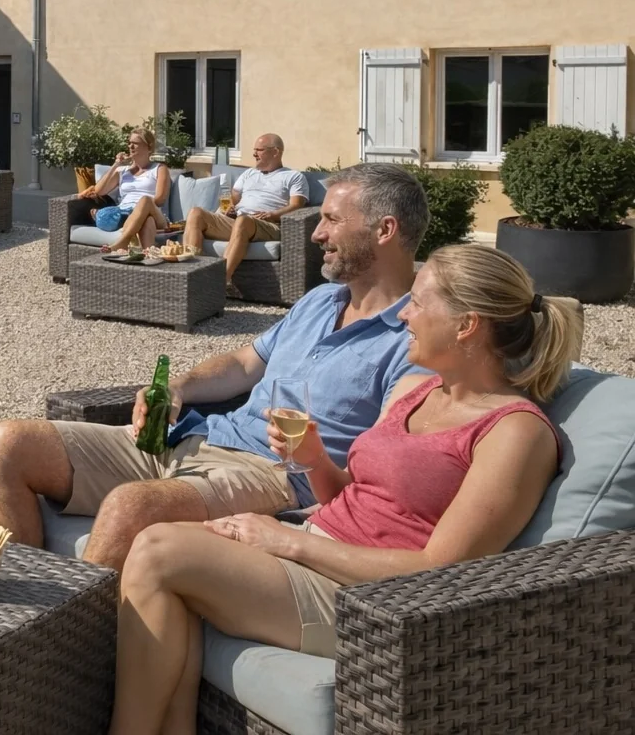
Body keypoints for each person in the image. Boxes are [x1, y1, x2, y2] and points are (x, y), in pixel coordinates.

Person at [111, 243, 579, 735]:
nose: (406, 318)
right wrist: (315, 461)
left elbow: (442, 567)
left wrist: (287, 540)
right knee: (169, 565)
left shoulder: (514, 433)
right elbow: (354, 497)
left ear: (466, 325)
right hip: (316, 548)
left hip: (370, 601)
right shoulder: (419, 392)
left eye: (418, 303)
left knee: (159, 551)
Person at [0, 163, 429, 573]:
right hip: (201, 436)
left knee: (131, 507)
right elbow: (242, 363)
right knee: (3, 447)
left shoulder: (416, 340)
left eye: (330, 219)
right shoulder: (318, 300)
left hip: (273, 475)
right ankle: (16, 614)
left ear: (384, 230)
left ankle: (66, 644)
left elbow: (383, 464)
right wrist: (179, 389)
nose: (316, 233)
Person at [183, 134, 308, 295]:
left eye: (259, 150)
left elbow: (297, 205)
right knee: (195, 213)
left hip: (269, 225)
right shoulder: (249, 173)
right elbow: (233, 199)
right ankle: (193, 275)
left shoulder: (294, 176)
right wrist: (228, 210)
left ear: (276, 152)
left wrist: (273, 215)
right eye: (254, 150)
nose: (254, 154)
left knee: (243, 221)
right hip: (241, 222)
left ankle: (221, 282)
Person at [77, 128, 171, 252]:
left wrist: (141, 208)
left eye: (135, 143)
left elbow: (159, 200)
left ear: (148, 147)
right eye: (129, 143)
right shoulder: (123, 171)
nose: (130, 146)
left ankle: (123, 242)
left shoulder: (159, 168)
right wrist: (116, 165)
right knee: (148, 221)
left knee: (145, 201)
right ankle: (147, 259)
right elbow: (99, 191)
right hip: (126, 216)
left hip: (156, 214)